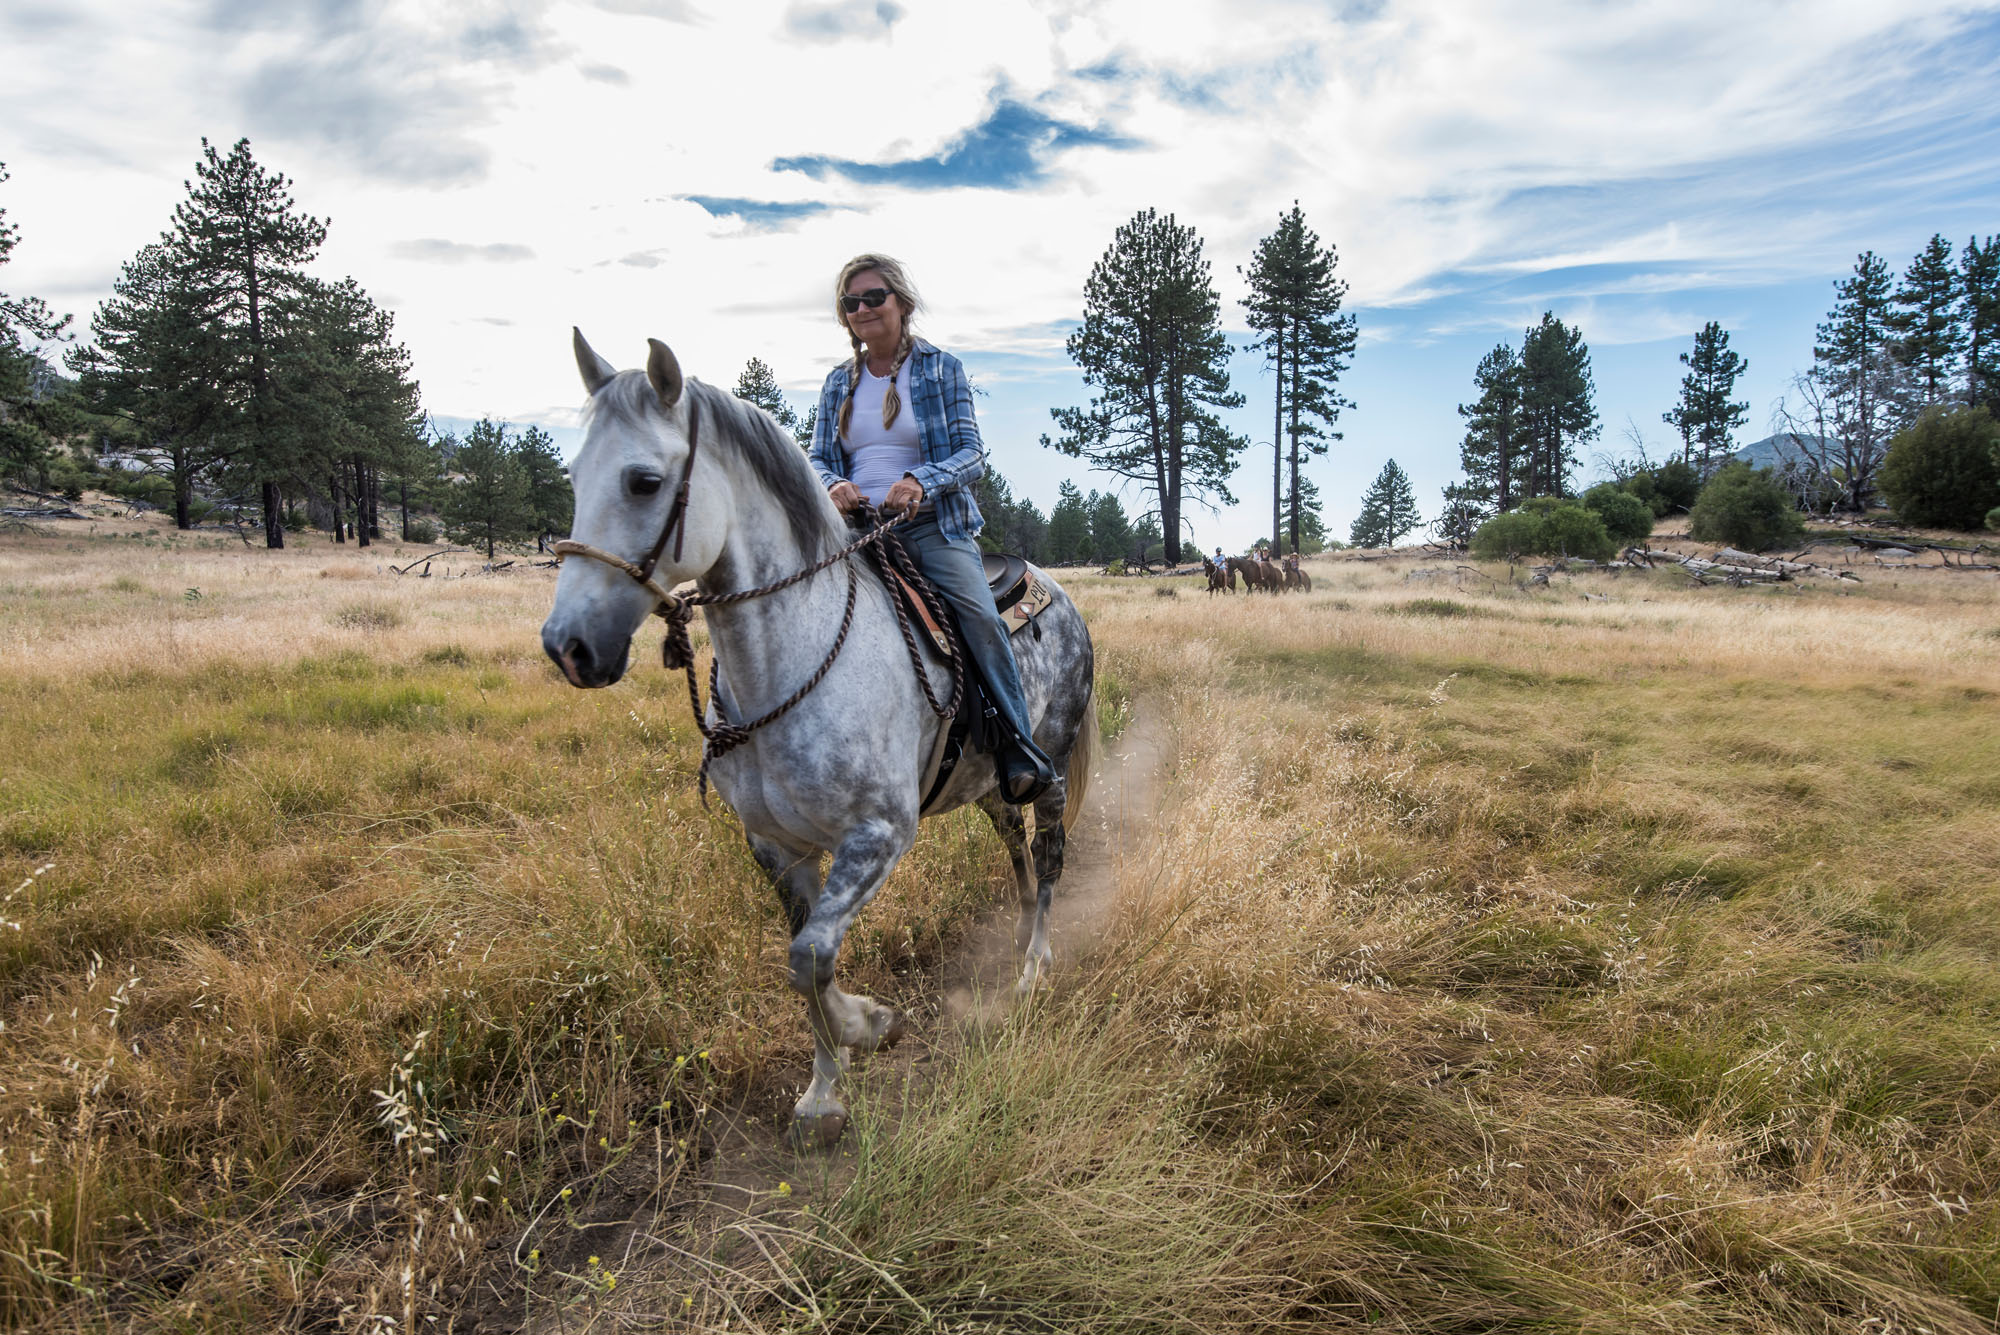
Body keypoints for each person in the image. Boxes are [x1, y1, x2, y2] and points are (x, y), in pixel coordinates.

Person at [809, 253, 1056, 804]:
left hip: (929, 529)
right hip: (855, 533)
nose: (863, 308)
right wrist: (832, 484)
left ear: (903, 304)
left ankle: (1020, 748)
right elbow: (819, 456)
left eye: (875, 297)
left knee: (979, 618)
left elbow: (972, 453)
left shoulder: (943, 369)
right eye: (852, 302)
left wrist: (920, 481)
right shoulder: (836, 383)